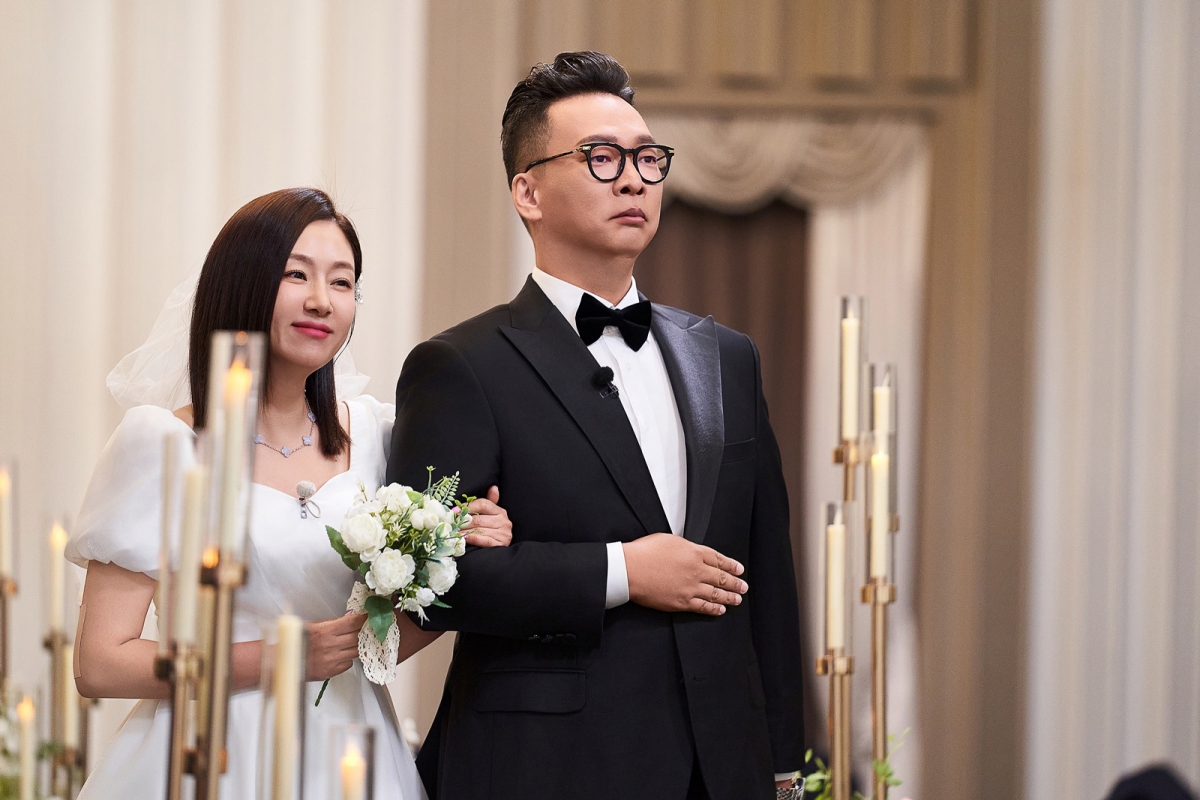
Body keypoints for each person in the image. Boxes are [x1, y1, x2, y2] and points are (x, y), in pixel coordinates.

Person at [387, 52, 805, 800]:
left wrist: (784, 766)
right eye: (601, 158)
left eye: (648, 158)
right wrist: (622, 571)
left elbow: (767, 574)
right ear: (528, 191)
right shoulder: (460, 365)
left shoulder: (726, 357)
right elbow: (432, 589)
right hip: (547, 763)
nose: (634, 179)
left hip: (720, 764)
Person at [65, 187, 513, 799]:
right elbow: (99, 663)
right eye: (296, 274)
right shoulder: (163, 443)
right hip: (207, 752)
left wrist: (462, 550)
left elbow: (375, 644)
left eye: (342, 281)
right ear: (242, 284)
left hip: (350, 753)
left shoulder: (379, 436)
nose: (321, 300)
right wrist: (279, 658)